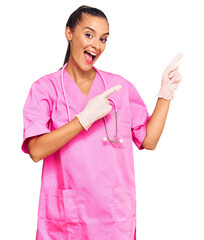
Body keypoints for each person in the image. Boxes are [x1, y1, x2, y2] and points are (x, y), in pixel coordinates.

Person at [21, 5, 183, 240]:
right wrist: (83, 119)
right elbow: (36, 150)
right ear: (69, 33)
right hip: (67, 217)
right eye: (89, 34)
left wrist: (165, 94)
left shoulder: (119, 87)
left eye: (103, 38)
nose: (96, 45)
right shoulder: (45, 89)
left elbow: (149, 140)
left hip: (113, 217)